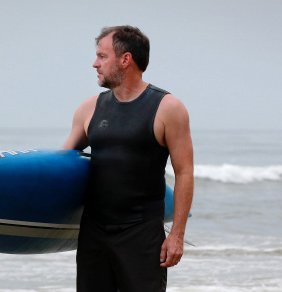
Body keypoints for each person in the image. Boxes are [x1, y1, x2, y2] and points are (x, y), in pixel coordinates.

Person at [62, 25, 194, 292]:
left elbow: (185, 172)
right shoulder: (89, 108)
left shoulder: (168, 108)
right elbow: (63, 163)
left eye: (102, 56)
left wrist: (177, 236)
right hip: (94, 231)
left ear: (125, 59)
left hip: (142, 232)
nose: (94, 64)